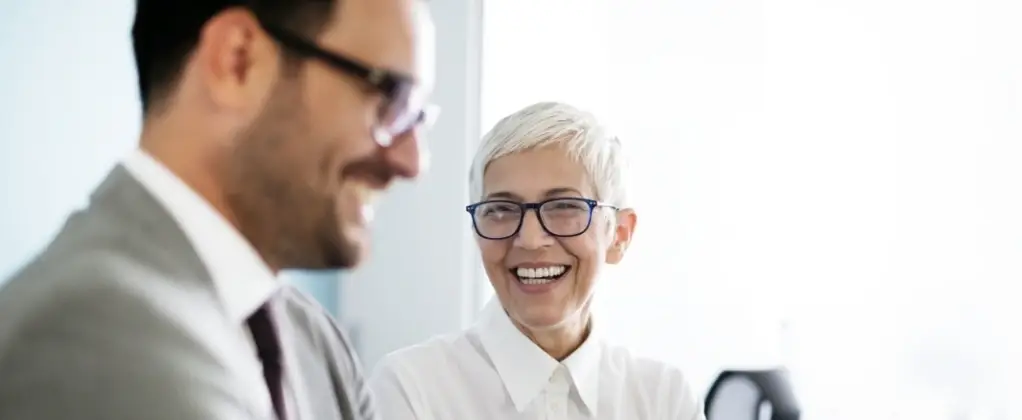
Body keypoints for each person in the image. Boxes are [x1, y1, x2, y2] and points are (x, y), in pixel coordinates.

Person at [0, 0, 435, 419]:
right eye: (389, 98)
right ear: (238, 61)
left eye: (416, 116)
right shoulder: (87, 332)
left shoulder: (318, 348)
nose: (413, 163)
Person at [370, 101, 706, 419]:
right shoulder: (412, 390)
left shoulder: (664, 399)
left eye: (564, 207)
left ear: (619, 234)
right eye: (500, 210)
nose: (530, 241)